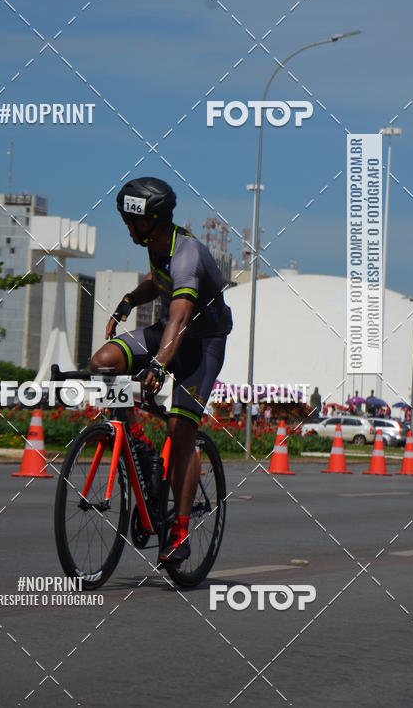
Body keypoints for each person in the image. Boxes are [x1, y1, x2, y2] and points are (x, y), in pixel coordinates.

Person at [90, 177, 233, 565]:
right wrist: (129, 300)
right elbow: (158, 281)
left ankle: (180, 532)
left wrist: (158, 363)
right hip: (169, 331)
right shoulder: (158, 245)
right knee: (103, 363)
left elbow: (181, 316)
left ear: (150, 221)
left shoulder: (188, 254)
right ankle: (137, 440)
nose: (126, 227)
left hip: (202, 343)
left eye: (130, 221)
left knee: (180, 429)